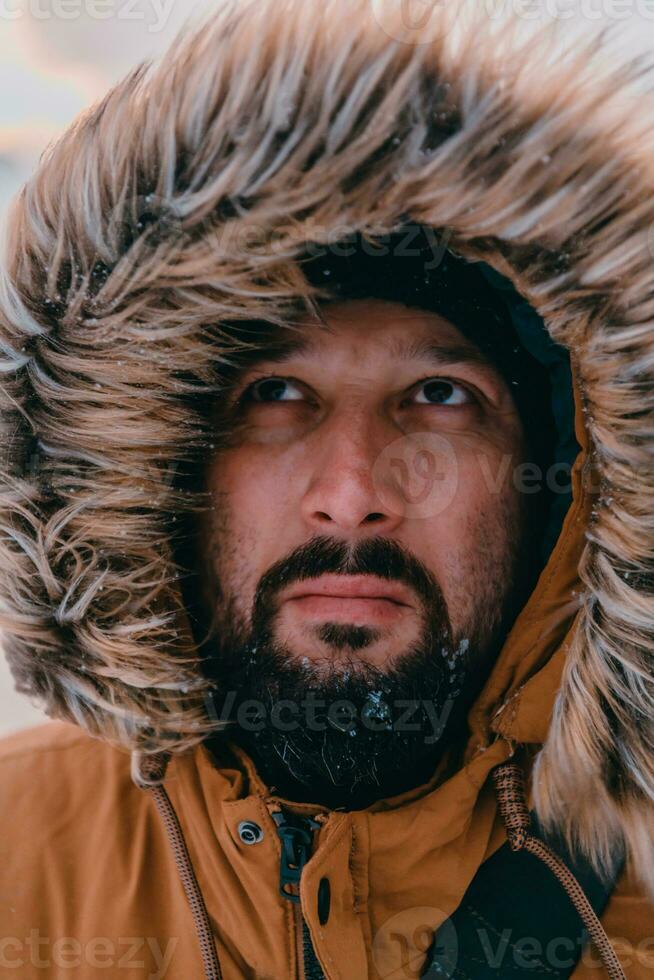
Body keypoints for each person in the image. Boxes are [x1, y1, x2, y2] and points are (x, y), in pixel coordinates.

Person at [0, 2, 652, 978]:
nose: (352, 495)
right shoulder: (19, 860)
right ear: (161, 467)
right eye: (276, 394)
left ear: (562, 483)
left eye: (439, 396)